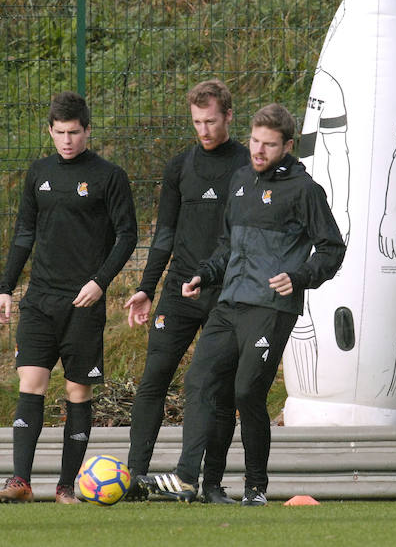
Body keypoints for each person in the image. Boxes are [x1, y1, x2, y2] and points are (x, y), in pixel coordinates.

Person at [140, 103, 346, 505]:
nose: (258, 150)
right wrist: (205, 274)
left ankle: (255, 487)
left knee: (247, 392)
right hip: (229, 302)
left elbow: (332, 248)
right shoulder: (240, 181)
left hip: (271, 308)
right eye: (254, 141)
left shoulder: (305, 191)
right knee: (200, 382)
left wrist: (300, 277)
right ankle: (189, 479)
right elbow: (226, 245)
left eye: (269, 145)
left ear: (288, 146)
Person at [0, 91, 137, 504]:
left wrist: (100, 282)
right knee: (31, 382)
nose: (67, 140)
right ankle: (20, 481)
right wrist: (5, 287)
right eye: (60, 133)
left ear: (87, 130)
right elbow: (23, 233)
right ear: (50, 131)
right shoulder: (38, 173)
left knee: (77, 392)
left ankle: (66, 487)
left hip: (83, 303)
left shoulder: (110, 176)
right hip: (39, 298)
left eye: (74, 132)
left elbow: (128, 236)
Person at [123, 79, 249, 504]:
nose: (205, 130)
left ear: (229, 116)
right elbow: (164, 235)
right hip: (178, 290)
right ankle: (135, 478)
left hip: (225, 293)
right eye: (197, 122)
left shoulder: (247, 166)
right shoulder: (180, 167)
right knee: (153, 379)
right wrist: (146, 288)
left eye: (211, 121)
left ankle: (210, 484)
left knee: (218, 389)